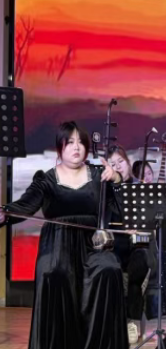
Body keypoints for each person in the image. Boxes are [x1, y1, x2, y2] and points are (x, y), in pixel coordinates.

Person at [0, 121, 128, 349]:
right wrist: (4, 213)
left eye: (80, 142)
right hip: (57, 243)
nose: (76, 147)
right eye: (69, 142)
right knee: (53, 272)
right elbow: (25, 205)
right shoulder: (46, 179)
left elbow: (121, 210)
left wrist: (117, 179)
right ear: (60, 147)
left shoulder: (99, 175)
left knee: (109, 269)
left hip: (92, 245)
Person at [108, 145, 156, 344]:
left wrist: (140, 229)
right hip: (115, 247)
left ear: (128, 163)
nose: (118, 166)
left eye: (121, 161)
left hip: (139, 247)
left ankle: (132, 322)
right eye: (113, 164)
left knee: (139, 264)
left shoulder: (140, 188)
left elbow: (153, 225)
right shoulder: (107, 191)